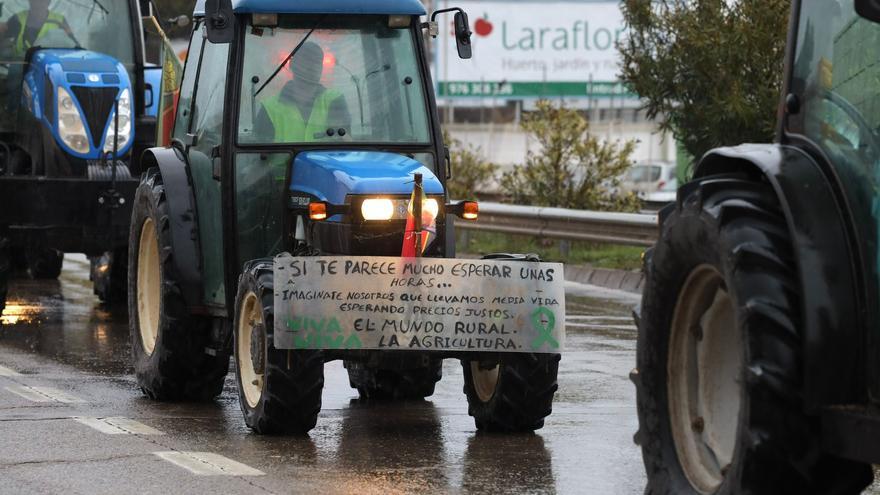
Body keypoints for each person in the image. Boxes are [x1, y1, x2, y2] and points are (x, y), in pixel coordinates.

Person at [255, 41, 350, 143]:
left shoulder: (334, 100)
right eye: (307, 60)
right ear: (292, 65)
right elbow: (257, 155)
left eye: (317, 61)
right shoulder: (269, 108)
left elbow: (344, 144)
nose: (313, 66)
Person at [0, 0, 73, 59]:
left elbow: (73, 46)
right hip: (20, 65)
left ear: (49, 2)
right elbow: (4, 46)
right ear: (30, 1)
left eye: (42, 1)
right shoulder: (17, 19)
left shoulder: (60, 21)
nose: (38, 3)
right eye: (35, 0)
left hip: (48, 66)